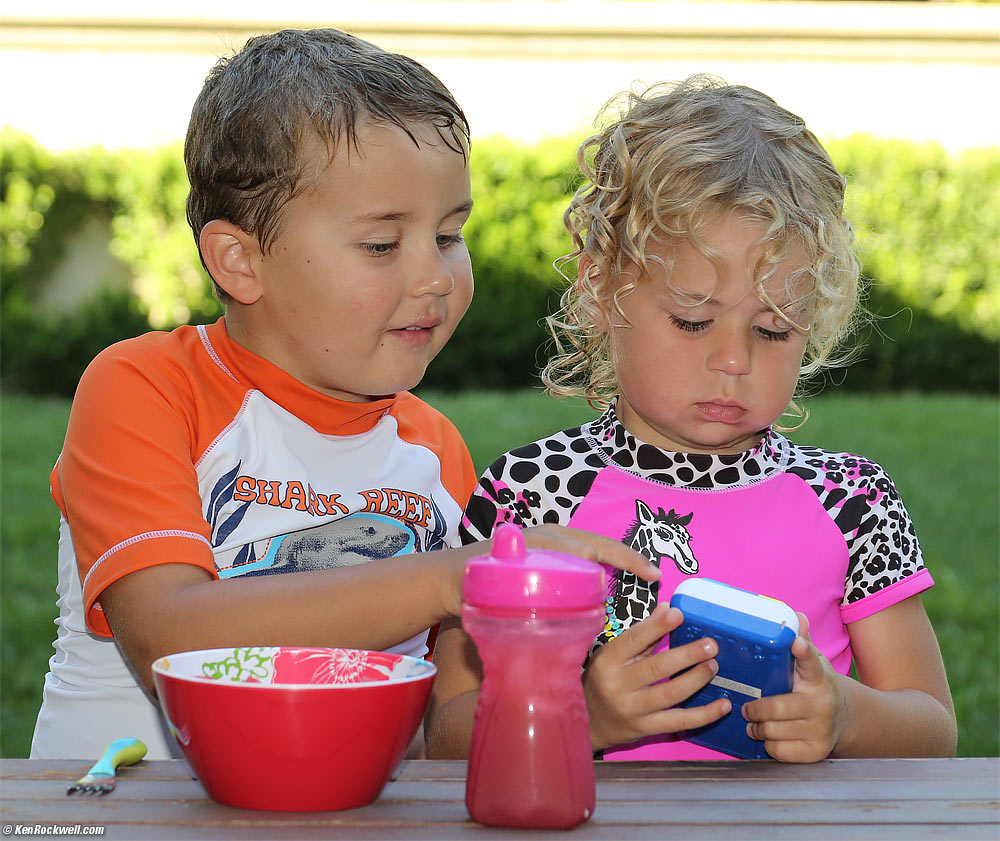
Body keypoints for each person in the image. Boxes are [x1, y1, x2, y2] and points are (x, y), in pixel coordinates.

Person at [29, 28, 667, 761]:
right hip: (125, 810)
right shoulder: (146, 388)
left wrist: (586, 708)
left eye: (450, 234)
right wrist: (452, 575)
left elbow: (443, 729)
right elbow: (170, 637)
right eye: (381, 244)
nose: (435, 277)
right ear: (240, 261)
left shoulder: (435, 450)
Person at [425, 75, 957, 762]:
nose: (733, 360)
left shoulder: (853, 501)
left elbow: (934, 729)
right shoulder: (531, 495)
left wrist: (845, 713)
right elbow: (445, 734)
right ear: (599, 291)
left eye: (773, 329)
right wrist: (583, 714)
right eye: (693, 320)